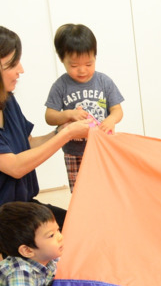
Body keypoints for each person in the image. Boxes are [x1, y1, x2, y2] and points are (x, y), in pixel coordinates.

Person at [0, 26, 90, 267]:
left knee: (77, 228)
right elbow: (15, 166)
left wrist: (59, 130)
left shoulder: (6, 99)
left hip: (20, 208)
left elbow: (25, 145)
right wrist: (67, 134)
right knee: (46, 249)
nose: (21, 70)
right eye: (12, 64)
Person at [44, 23, 124, 192]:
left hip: (103, 147)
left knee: (108, 188)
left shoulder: (104, 82)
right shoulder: (61, 86)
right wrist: (69, 114)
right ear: (62, 60)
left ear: (95, 57)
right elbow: (49, 116)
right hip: (74, 153)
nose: (82, 70)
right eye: (74, 65)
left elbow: (117, 110)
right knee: (81, 191)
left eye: (89, 64)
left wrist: (110, 120)